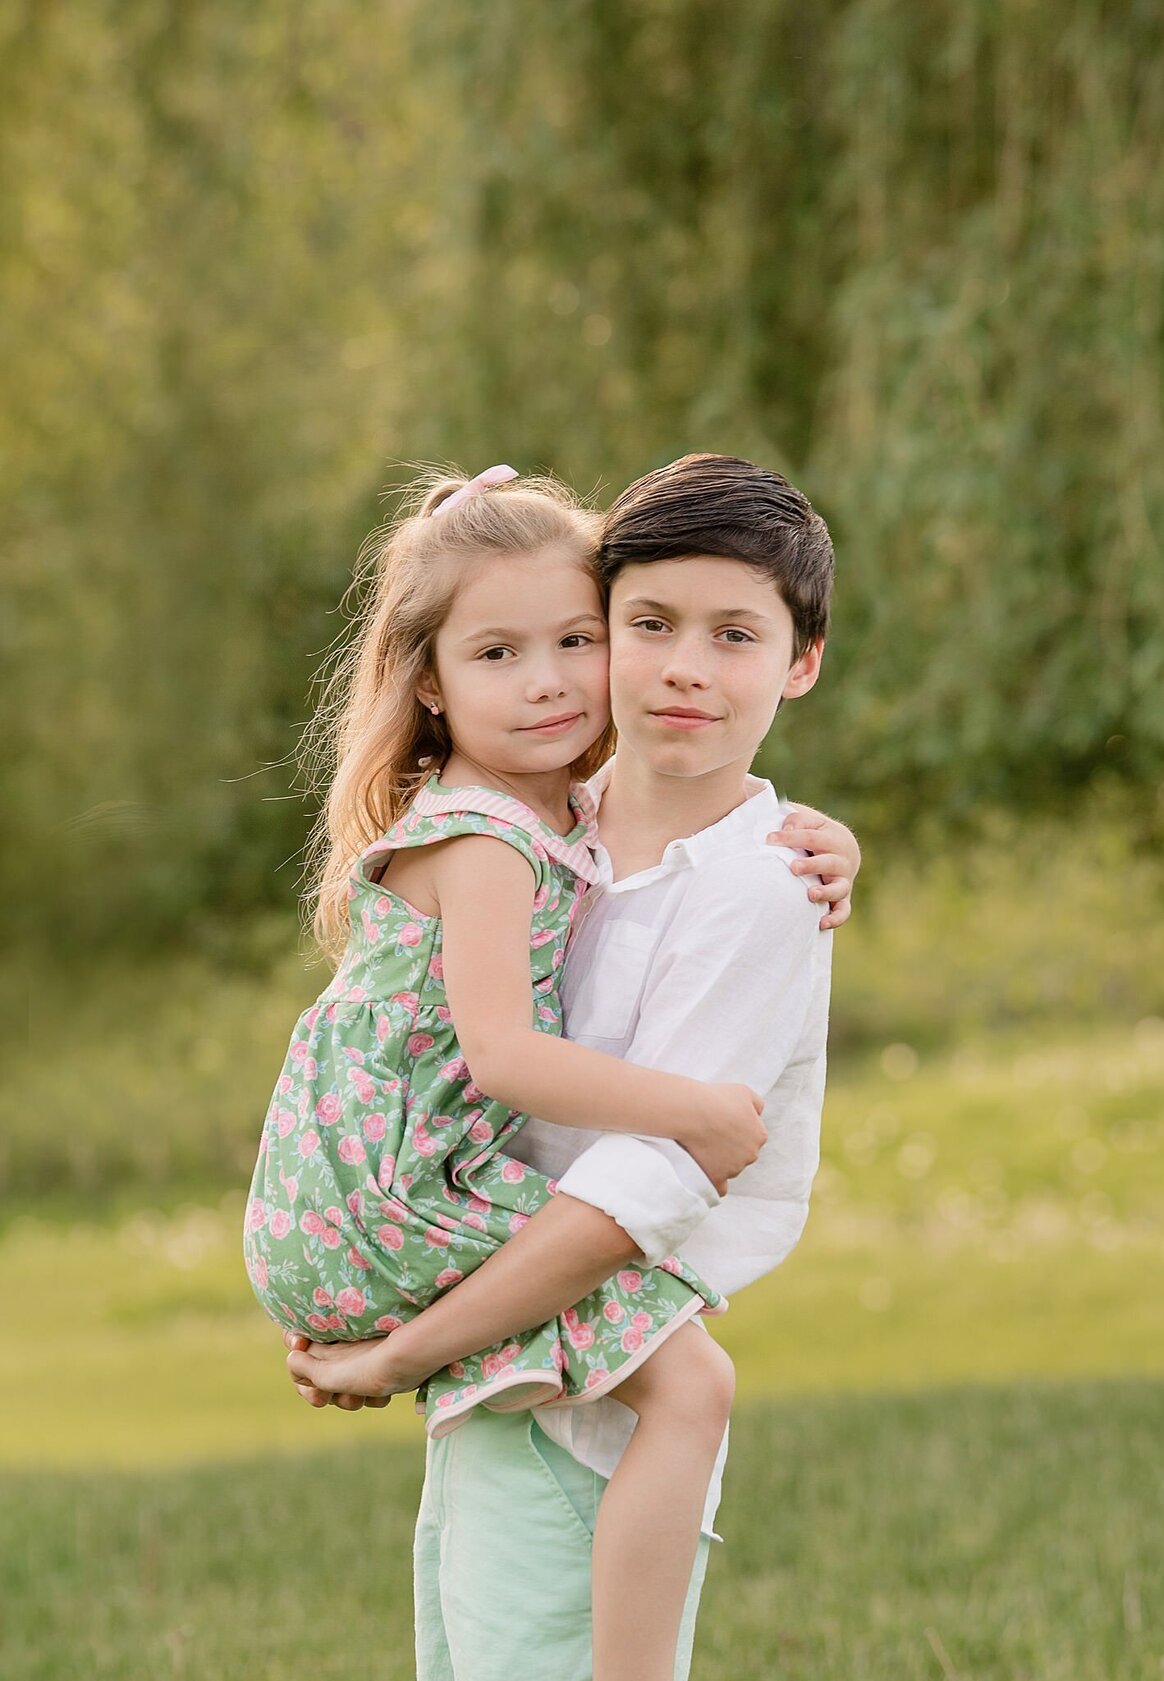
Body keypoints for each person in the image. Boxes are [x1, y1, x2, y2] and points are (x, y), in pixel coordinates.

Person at [247, 463, 855, 1681]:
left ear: (803, 659)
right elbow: (508, 1057)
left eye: (572, 638)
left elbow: (636, 1184)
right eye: (645, 625)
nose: (677, 666)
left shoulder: (634, 843)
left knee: (679, 1404)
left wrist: (838, 845)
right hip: (423, 1235)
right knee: (680, 1402)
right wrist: (692, 1110)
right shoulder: (525, 830)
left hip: (473, 1290)